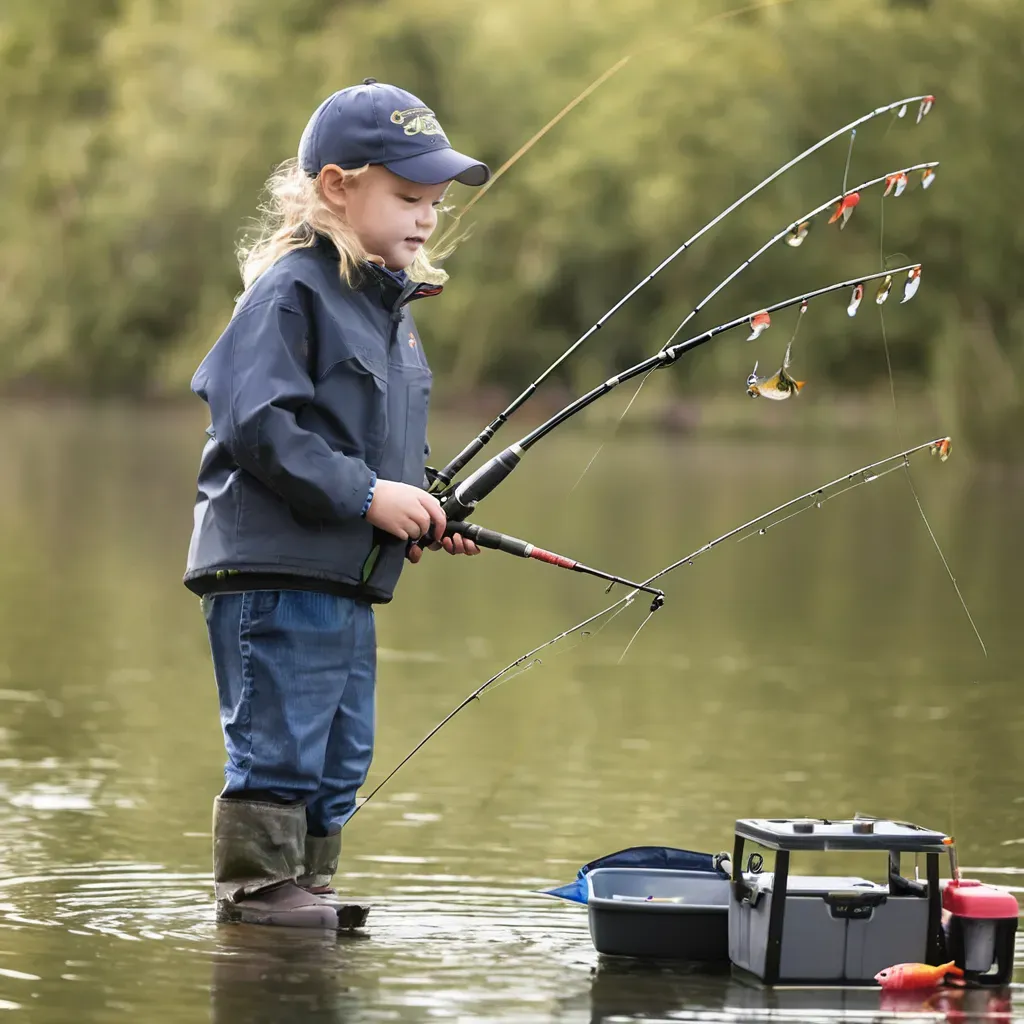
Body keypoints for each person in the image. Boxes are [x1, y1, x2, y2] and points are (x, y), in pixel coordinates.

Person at [183, 79, 489, 928]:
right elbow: (252, 420)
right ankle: (257, 891)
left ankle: (306, 887)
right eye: (408, 197)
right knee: (279, 742)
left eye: (434, 203)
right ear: (337, 188)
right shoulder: (293, 289)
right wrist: (367, 494)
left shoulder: (389, 310)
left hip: (345, 572)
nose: (427, 217)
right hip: (275, 569)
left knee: (341, 749)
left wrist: (424, 506)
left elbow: (379, 444)